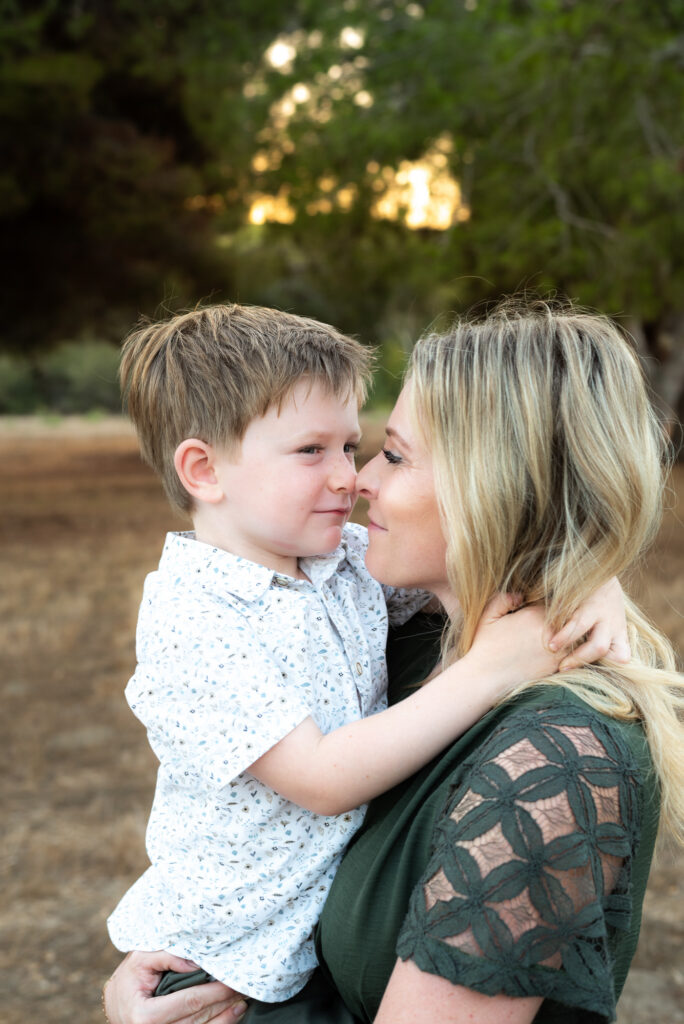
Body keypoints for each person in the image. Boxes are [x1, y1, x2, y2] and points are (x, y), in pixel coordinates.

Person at [104, 299, 684, 1024]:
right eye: (312, 451)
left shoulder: (349, 573)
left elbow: (542, 532)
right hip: (226, 959)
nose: (354, 479)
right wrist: (497, 662)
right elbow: (320, 778)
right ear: (203, 469)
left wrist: (593, 576)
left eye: (372, 450)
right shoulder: (206, 621)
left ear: (496, 484)